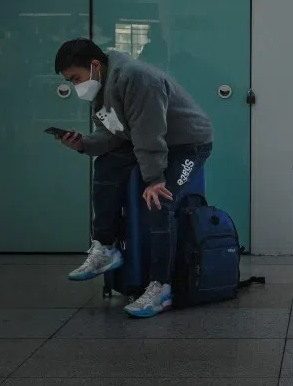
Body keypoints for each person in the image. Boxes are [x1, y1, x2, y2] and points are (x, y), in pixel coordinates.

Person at [53, 38, 214, 318]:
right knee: (106, 166)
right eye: (71, 81)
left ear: (94, 65)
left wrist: (154, 180)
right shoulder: (101, 88)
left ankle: (160, 287)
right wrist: (83, 144)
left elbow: (148, 134)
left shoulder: (138, 79)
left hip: (187, 144)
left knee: (161, 200)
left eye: (76, 78)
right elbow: (114, 134)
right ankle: (105, 247)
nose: (76, 86)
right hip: (148, 140)